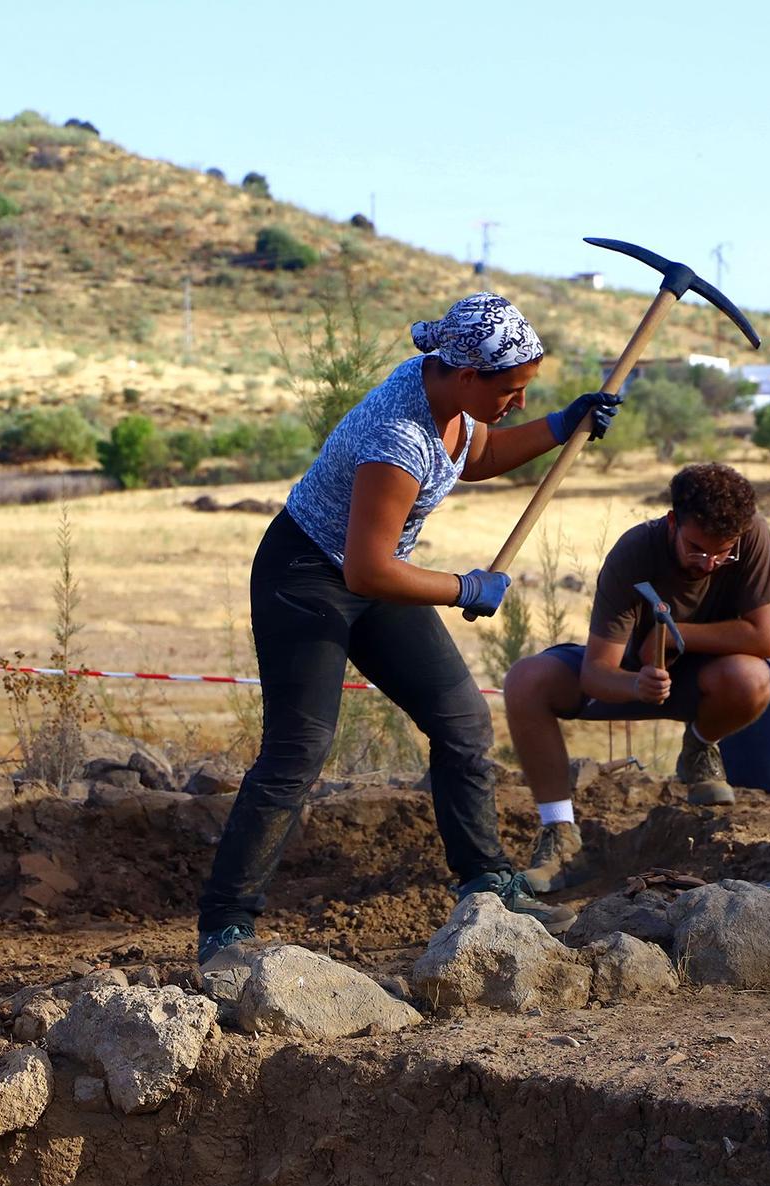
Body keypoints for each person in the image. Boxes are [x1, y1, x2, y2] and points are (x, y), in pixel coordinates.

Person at [194, 294, 622, 963]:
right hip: (307, 576)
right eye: (511, 391)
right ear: (467, 374)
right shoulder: (398, 437)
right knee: (298, 751)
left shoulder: (451, 398)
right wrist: (462, 588)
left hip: (372, 570)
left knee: (462, 721)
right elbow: (367, 571)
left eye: (526, 392)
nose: (516, 401)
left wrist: (561, 424)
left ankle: (485, 882)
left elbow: (475, 457)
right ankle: (226, 925)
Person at [501, 462, 770, 897]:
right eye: (695, 548)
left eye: (722, 553)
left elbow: (764, 639)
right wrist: (636, 685)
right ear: (672, 522)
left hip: (711, 676)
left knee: (751, 678)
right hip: (635, 673)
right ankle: (560, 835)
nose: (708, 564)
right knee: (526, 680)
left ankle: (699, 746)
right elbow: (598, 672)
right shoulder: (635, 552)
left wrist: (674, 634)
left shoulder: (752, 537)